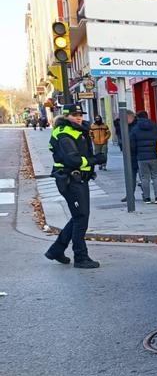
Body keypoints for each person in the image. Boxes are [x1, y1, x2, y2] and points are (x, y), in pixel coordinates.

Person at [44, 104, 105, 269]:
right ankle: (80, 257)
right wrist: (95, 161)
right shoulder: (64, 133)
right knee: (81, 218)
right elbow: (73, 160)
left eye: (80, 114)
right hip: (70, 180)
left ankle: (56, 250)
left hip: (78, 179)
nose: (79, 117)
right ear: (66, 116)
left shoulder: (77, 130)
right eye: (74, 114)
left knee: (79, 216)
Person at [130, 110, 157, 204]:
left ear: (138, 117)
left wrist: (135, 152)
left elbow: (132, 144)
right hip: (153, 156)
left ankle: (147, 198)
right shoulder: (154, 126)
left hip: (141, 157)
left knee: (145, 178)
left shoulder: (135, 128)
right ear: (147, 116)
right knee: (156, 177)